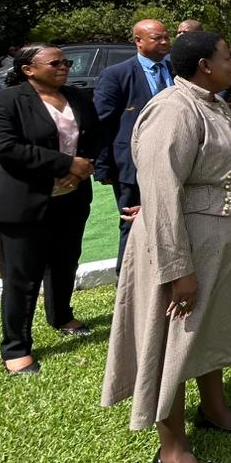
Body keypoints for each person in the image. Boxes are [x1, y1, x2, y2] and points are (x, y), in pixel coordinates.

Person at [101, 32, 231, 463]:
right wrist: (179, 270)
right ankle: (172, 450)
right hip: (182, 249)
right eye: (228, 57)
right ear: (205, 65)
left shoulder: (211, 101)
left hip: (215, 247)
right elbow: (160, 190)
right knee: (171, 340)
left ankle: (215, 409)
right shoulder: (173, 109)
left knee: (205, 328)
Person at [0, 44, 100, 376]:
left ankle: (61, 316)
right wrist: (66, 164)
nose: (64, 67)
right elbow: (4, 148)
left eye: (66, 62)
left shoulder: (77, 97)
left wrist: (83, 165)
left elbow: (94, 134)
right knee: (22, 277)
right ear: (28, 69)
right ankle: (16, 348)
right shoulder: (3, 101)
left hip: (72, 196)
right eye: (55, 63)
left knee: (65, 262)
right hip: (23, 202)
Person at [94, 18, 173, 272]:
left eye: (166, 37)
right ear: (138, 42)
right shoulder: (116, 75)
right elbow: (103, 124)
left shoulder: (177, 69)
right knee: (134, 224)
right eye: (156, 38)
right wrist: (103, 166)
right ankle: (127, 279)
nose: (164, 42)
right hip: (133, 166)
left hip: (173, 161)